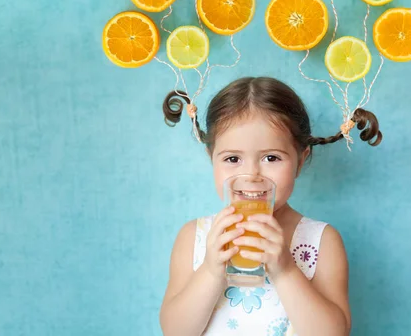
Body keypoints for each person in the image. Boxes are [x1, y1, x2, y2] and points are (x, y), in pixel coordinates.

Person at [159, 77, 382, 335]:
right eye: (233, 158)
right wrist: (210, 269)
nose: (252, 175)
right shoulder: (194, 238)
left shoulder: (322, 241)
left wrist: (286, 270)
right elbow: (174, 330)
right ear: (212, 159)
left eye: (271, 157)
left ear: (300, 160)